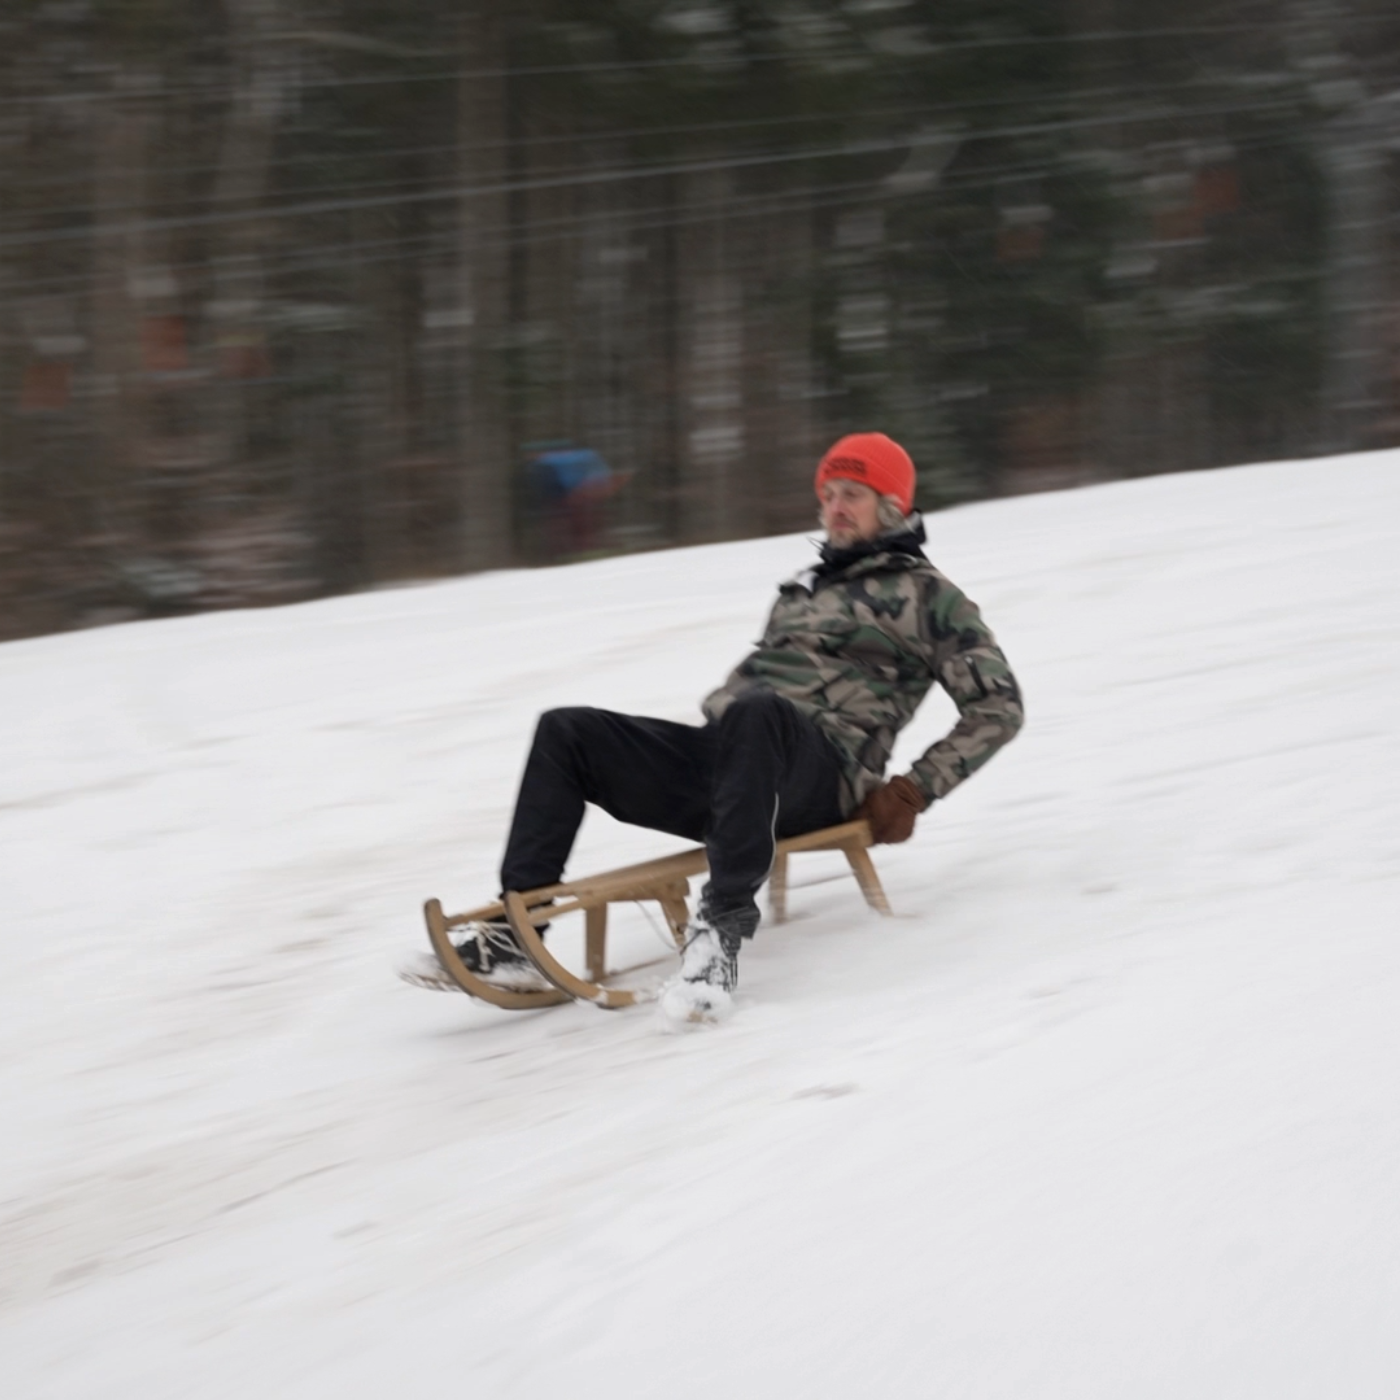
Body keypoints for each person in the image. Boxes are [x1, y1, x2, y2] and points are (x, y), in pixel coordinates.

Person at [401, 433, 1024, 1018]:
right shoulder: (805, 587)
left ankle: (718, 935)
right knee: (568, 731)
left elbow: (998, 706)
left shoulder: (930, 597)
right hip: (736, 762)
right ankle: (513, 938)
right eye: (828, 494)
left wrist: (914, 790)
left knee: (758, 713)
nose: (835, 508)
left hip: (821, 776)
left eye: (852, 495)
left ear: (891, 506)